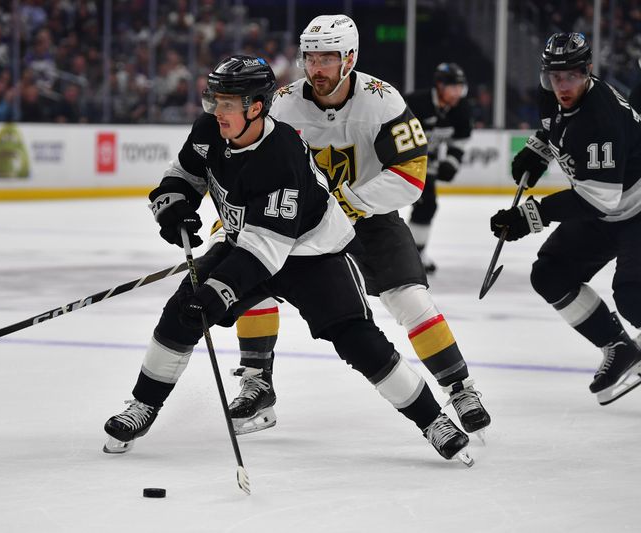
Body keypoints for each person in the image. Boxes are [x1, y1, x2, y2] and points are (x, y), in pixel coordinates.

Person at [103, 55, 473, 465]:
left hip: (313, 253)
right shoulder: (210, 130)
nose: (216, 111)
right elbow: (186, 172)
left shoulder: (282, 155)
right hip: (248, 242)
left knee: (359, 342)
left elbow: (267, 249)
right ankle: (142, 405)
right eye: (215, 100)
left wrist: (220, 290)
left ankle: (433, 420)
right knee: (182, 312)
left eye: (228, 103)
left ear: (256, 107)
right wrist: (174, 204)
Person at [222, 15, 491, 442]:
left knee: (411, 300)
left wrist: (348, 203)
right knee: (252, 280)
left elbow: (411, 176)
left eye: (327, 58)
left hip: (368, 220)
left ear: (350, 58)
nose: (316, 68)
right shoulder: (284, 103)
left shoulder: (382, 102)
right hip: (302, 222)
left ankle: (459, 388)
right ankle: (257, 382)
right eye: (311, 57)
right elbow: (246, 162)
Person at [490, 32, 641, 405]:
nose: (563, 86)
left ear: (588, 71)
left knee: (633, 297)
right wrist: (537, 151)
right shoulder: (552, 93)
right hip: (609, 208)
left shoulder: (601, 118)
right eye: (555, 77)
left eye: (572, 76)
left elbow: (597, 200)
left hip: (634, 210)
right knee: (550, 274)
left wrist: (531, 215)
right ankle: (618, 346)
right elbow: (552, 124)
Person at [405, 63, 473, 273]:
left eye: (460, 88)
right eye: (453, 87)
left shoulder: (461, 108)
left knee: (427, 205)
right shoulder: (415, 102)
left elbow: (460, 141)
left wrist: (452, 162)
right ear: (440, 86)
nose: (457, 93)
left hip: (425, 164)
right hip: (395, 160)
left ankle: (414, 255)